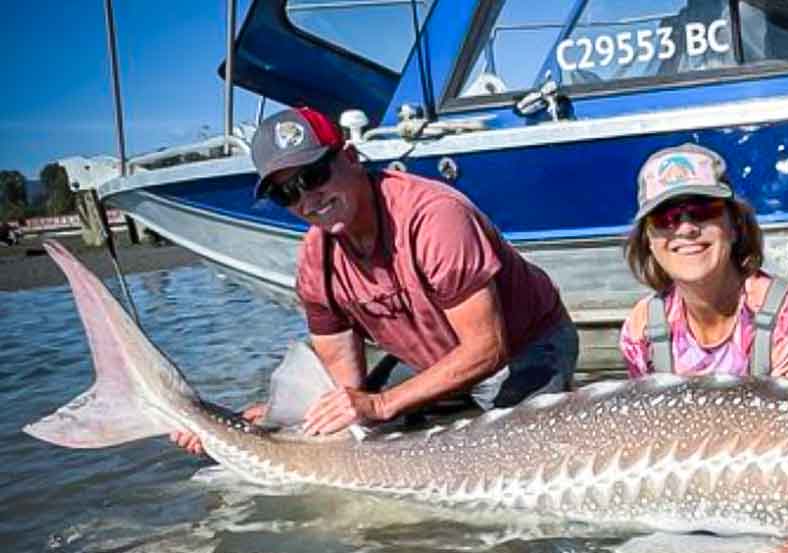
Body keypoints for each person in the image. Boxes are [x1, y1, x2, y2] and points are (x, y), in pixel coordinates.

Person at [172, 106, 577, 453]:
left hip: (523, 347)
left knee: (527, 451)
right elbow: (345, 388)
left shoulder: (434, 218)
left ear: (349, 157)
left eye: (313, 176)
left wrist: (382, 405)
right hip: (429, 358)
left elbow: (486, 350)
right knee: (354, 436)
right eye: (286, 194)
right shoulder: (316, 260)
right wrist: (264, 423)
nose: (307, 200)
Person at [618, 143, 788, 382]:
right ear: (648, 240)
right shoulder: (640, 329)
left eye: (703, 210)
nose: (686, 228)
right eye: (665, 218)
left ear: (735, 225)